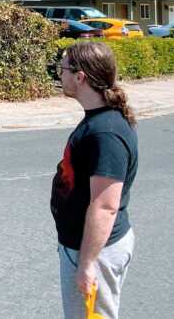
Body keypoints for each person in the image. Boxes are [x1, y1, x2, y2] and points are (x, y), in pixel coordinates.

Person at [51, 41, 138, 318]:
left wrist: (88, 264)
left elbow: (105, 206)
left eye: (62, 69)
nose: (58, 75)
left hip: (95, 252)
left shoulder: (105, 133)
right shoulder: (98, 120)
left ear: (80, 77)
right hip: (86, 249)